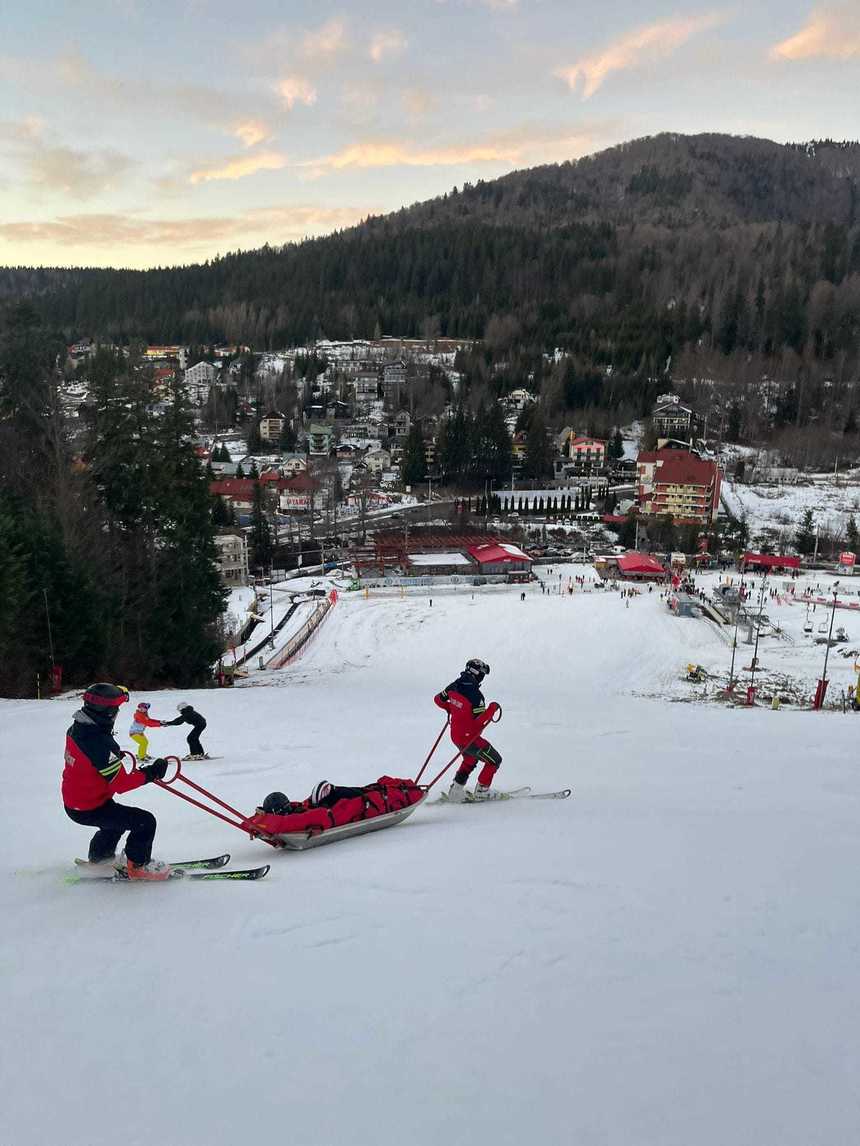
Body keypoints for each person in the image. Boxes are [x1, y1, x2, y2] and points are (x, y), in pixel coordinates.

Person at [62, 683, 171, 880]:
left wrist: (113, 756)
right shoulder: (99, 743)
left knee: (115, 822)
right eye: (117, 709)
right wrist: (152, 773)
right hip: (91, 805)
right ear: (108, 712)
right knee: (145, 822)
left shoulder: (79, 728)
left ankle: (100, 859)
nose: (118, 713)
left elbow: (88, 759)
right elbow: (121, 784)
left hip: (78, 802)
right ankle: (138, 866)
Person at [434, 657, 502, 802]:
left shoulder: (454, 685)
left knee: (470, 759)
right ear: (477, 674)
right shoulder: (476, 697)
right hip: (470, 738)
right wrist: (492, 708)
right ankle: (482, 791)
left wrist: (452, 709)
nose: (482, 677)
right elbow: (478, 723)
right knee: (494, 760)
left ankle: (456, 790)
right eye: (482, 674)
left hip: (456, 736)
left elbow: (438, 700)